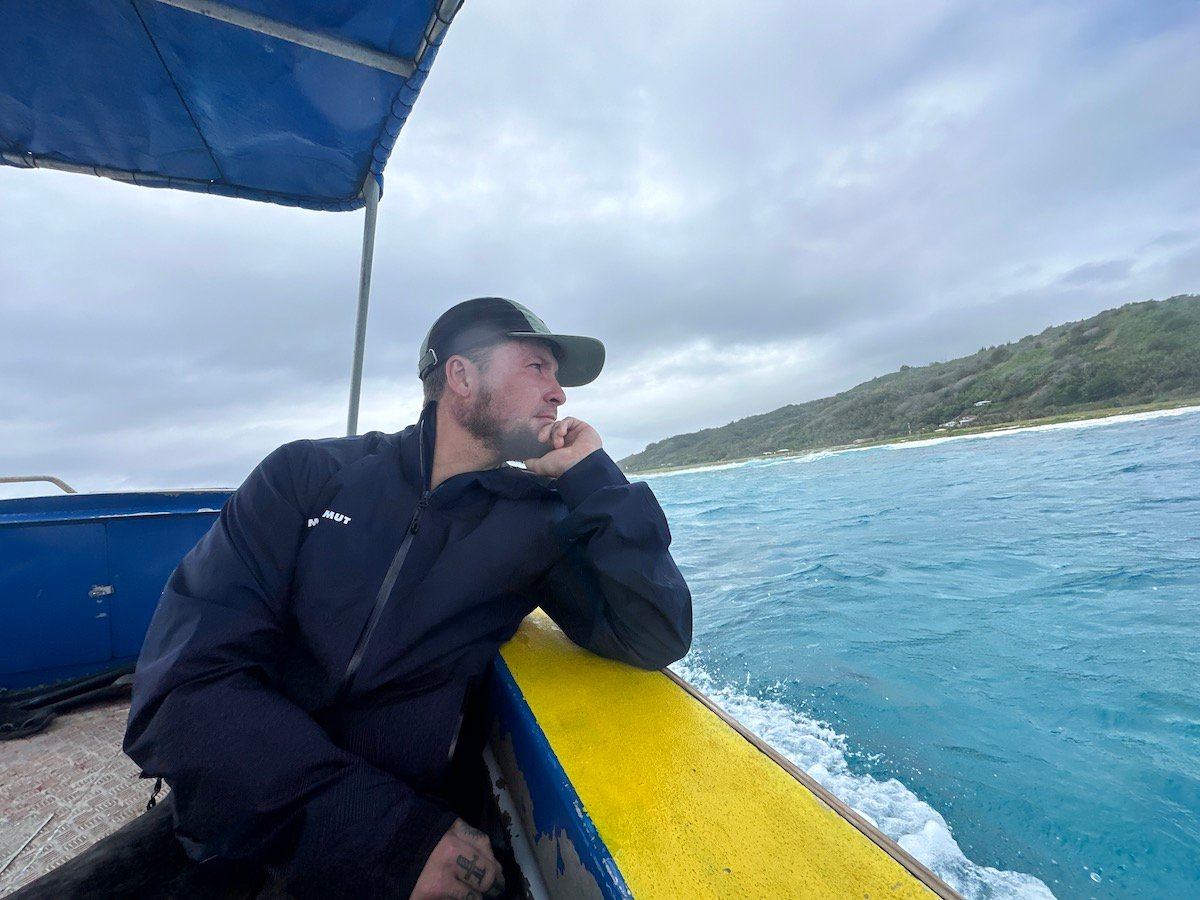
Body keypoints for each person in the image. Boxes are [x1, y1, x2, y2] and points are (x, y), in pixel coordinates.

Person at [124, 297, 693, 899]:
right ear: (462, 376)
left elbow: (655, 633)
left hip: (405, 841)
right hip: (257, 813)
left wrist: (594, 479)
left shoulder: (537, 523)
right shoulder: (305, 475)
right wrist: (381, 834)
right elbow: (179, 692)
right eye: (537, 368)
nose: (558, 394)